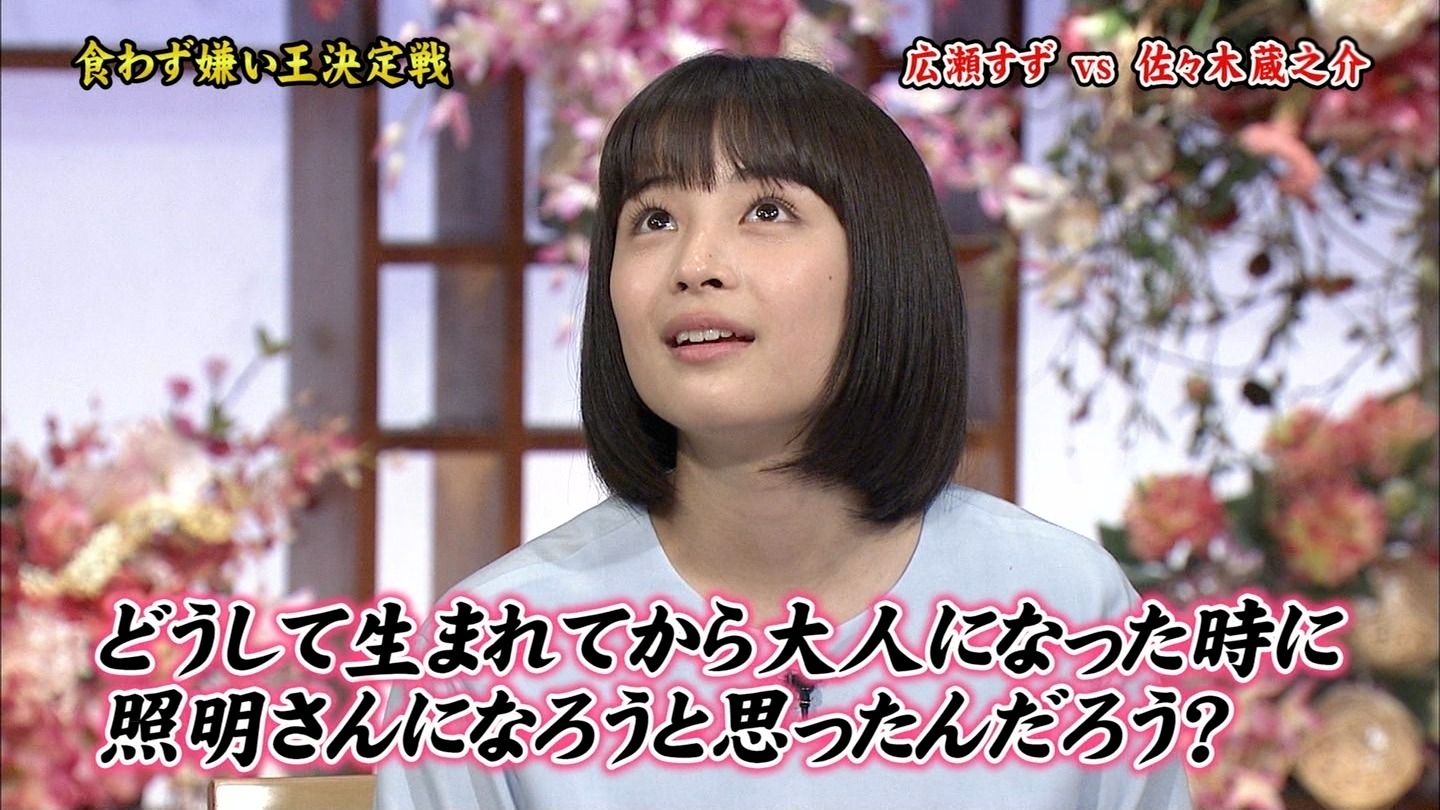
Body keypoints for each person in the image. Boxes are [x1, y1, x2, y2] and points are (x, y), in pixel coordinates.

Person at [374, 52, 1192, 809]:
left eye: (766, 210)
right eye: (653, 219)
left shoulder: (1068, 609)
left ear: (882, 266)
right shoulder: (489, 653)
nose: (696, 265)